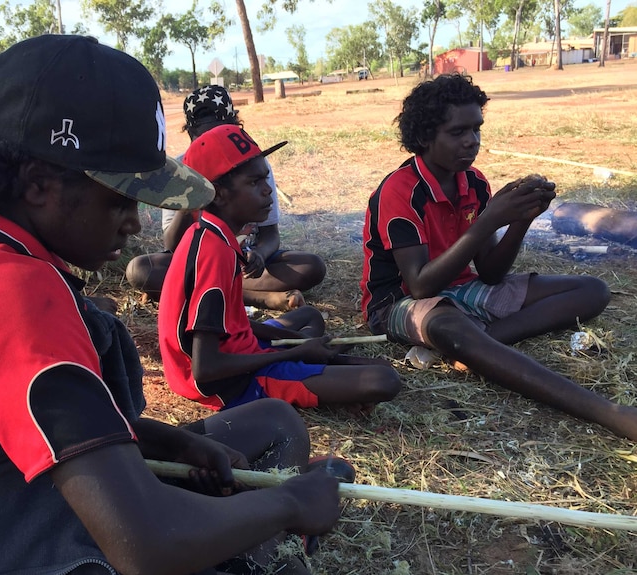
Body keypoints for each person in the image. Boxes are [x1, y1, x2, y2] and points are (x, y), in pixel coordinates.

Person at [0, 35, 347, 575]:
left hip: (14, 502)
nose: (134, 223)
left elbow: (24, 423)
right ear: (39, 186)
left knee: (274, 423)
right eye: (119, 199)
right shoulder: (8, 295)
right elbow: (145, 546)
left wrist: (169, 439)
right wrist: (290, 504)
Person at [360, 73, 637, 441]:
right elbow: (420, 284)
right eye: (458, 132)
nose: (471, 141)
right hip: (399, 302)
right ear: (426, 136)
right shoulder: (400, 191)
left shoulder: (473, 181)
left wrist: (520, 221)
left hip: (462, 290)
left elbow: (490, 272)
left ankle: (479, 347)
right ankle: (607, 411)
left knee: (592, 291)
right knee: (449, 324)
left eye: (477, 129)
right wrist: (489, 219)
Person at [158, 123, 401, 413]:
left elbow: (229, 325)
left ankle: (319, 367)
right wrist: (297, 352)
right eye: (254, 182)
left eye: (266, 179)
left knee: (309, 317)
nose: (267, 191)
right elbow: (206, 368)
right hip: (227, 384)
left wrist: (299, 343)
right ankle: (318, 373)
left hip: (233, 351)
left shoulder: (211, 234)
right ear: (218, 194)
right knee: (383, 378)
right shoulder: (215, 253)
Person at [125, 85, 326, 311]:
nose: (216, 144)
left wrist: (259, 254)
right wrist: (189, 194)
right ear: (192, 135)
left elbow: (270, 234)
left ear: (235, 128)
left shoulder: (254, 165)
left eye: (222, 135)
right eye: (206, 138)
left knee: (311, 266)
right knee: (141, 269)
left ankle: (210, 291)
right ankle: (256, 297)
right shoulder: (181, 171)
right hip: (199, 263)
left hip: (244, 264)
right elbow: (173, 245)